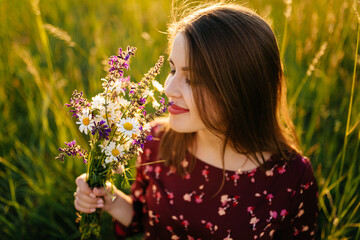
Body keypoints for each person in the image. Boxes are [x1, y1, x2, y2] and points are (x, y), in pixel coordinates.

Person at [74, 2, 319, 239]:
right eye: (172, 70)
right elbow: (144, 218)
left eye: (193, 79)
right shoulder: (155, 141)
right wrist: (108, 199)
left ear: (241, 90)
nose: (169, 88)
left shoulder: (291, 177)